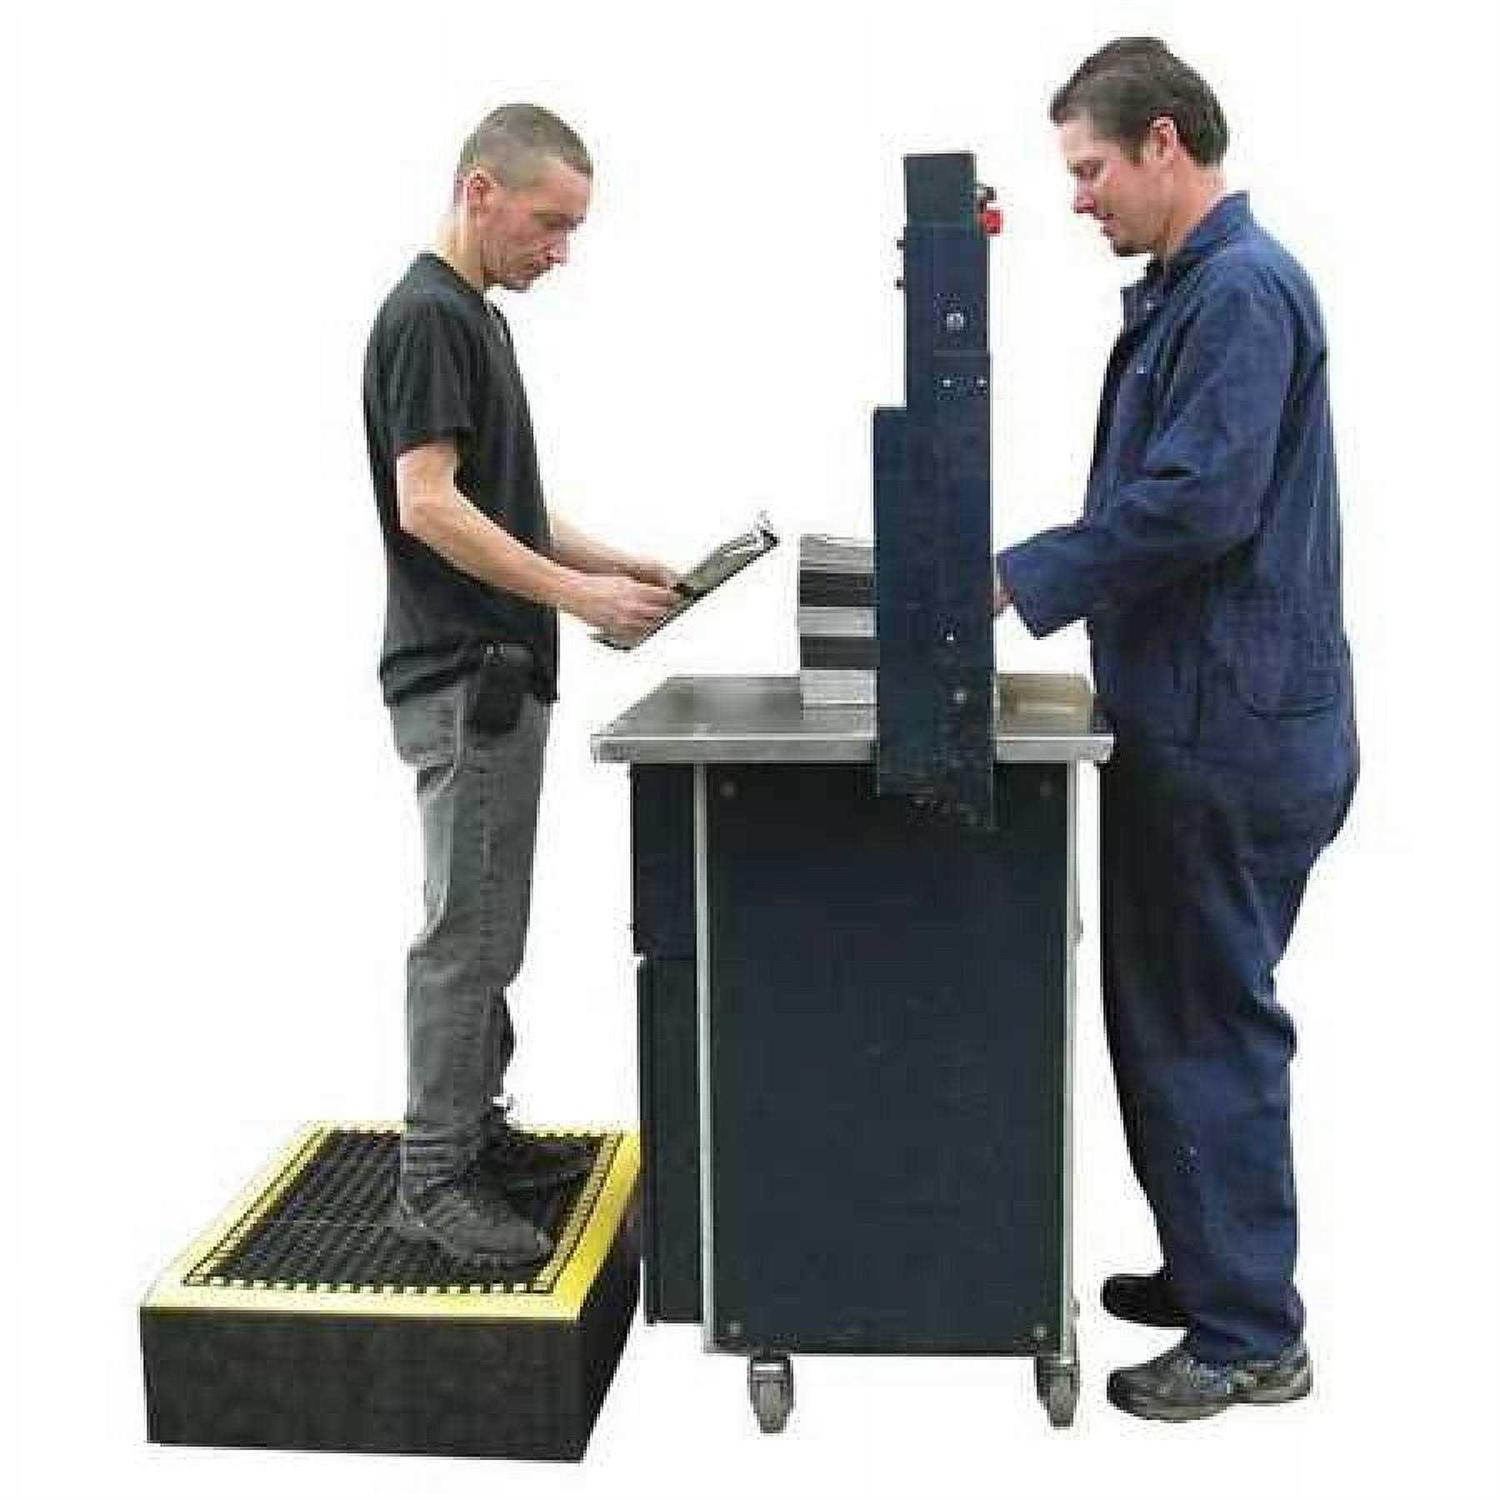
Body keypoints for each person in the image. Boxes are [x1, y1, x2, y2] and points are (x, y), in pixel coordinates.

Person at [996, 39, 1358, 1420]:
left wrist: (1016, 579)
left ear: (1164, 142)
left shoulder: (1243, 292)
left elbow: (1200, 503)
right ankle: (1215, 1268)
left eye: (1090, 168)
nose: (1078, 196)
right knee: (1169, 1014)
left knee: (1206, 1023)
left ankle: (1252, 1333)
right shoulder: (1192, 291)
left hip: (1229, 727)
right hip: (1201, 710)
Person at [362, 104, 678, 1269]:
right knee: (467, 935)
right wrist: (578, 598)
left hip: (495, 676)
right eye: (549, 223)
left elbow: (499, 502)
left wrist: (615, 564)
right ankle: (435, 1177)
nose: (561, 251)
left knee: (490, 927)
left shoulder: (476, 320)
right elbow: (428, 504)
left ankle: (476, 1135)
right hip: (467, 678)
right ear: (480, 192)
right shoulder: (431, 316)